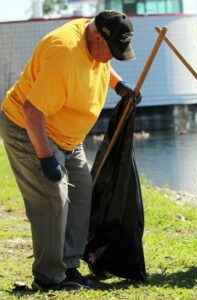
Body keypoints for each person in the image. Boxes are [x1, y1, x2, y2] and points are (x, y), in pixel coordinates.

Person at [0, 11, 140, 291]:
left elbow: (99, 64)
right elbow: (32, 111)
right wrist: (45, 158)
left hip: (67, 135)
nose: (110, 57)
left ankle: (69, 265)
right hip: (28, 129)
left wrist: (118, 85)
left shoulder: (93, 36)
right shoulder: (63, 52)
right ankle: (49, 277)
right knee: (53, 198)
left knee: (81, 190)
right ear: (98, 35)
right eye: (110, 50)